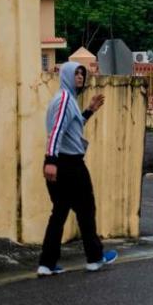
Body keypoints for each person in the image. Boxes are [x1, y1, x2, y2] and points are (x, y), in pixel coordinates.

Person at [37, 61, 117, 276]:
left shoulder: (66, 100)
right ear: (66, 76)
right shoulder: (64, 100)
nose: (80, 77)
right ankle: (95, 258)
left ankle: (47, 263)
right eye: (76, 74)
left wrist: (89, 111)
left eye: (82, 74)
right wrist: (50, 160)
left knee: (59, 212)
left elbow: (72, 128)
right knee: (86, 210)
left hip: (60, 163)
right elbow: (57, 131)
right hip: (69, 164)